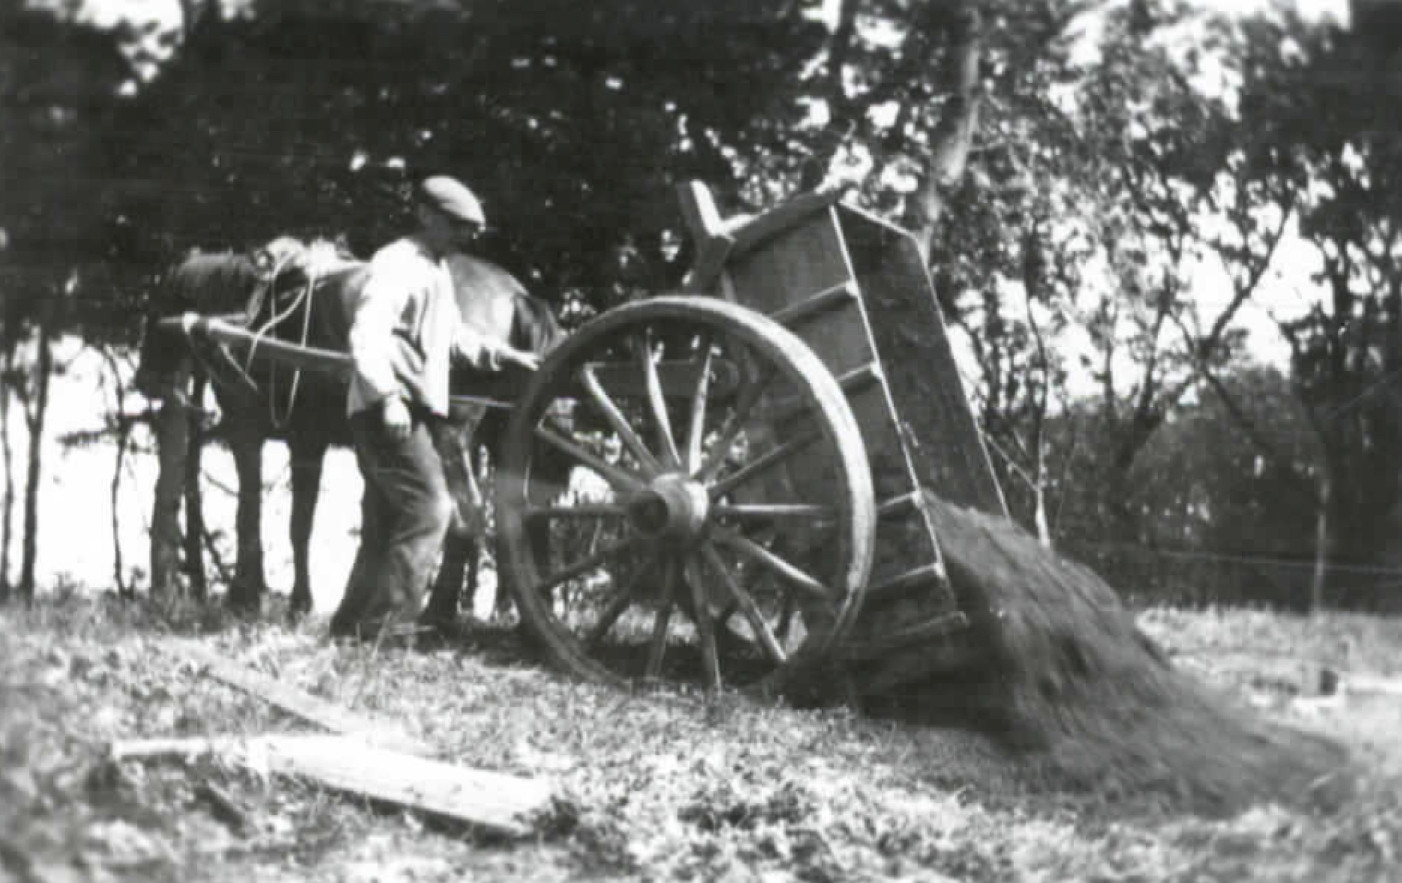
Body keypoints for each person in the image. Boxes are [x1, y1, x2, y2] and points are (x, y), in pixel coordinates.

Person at [330, 175, 538, 642]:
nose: (465, 237)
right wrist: (386, 398)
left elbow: (453, 338)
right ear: (425, 217)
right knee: (430, 509)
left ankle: (349, 628)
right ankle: (390, 630)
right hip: (388, 409)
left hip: (414, 409)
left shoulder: (436, 269)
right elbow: (367, 336)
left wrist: (503, 355)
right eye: (456, 226)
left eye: (469, 229)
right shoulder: (397, 264)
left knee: (386, 518)